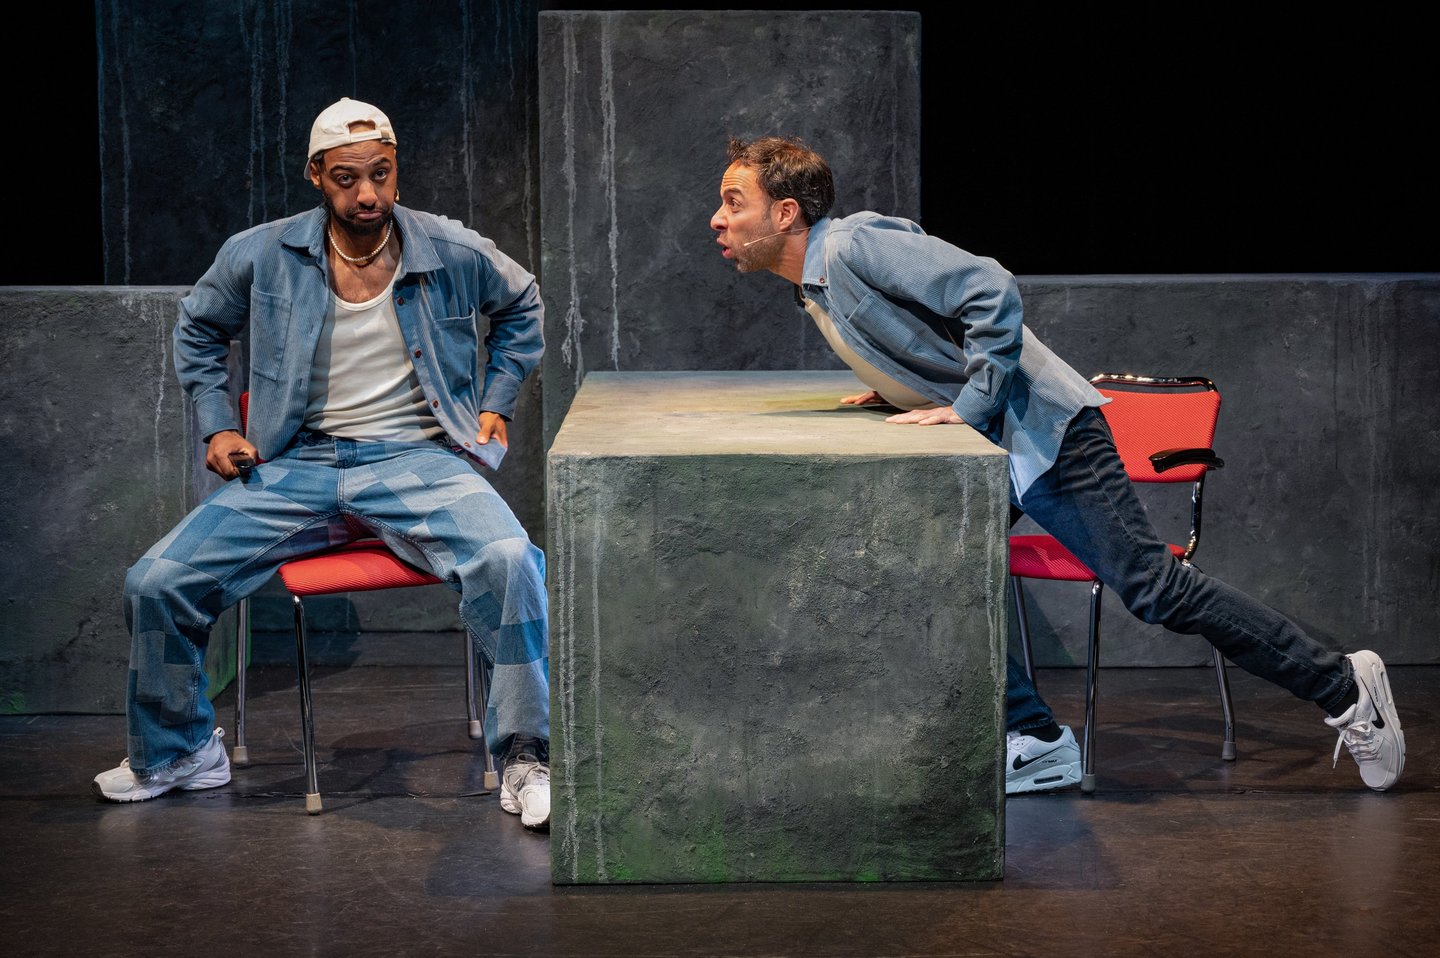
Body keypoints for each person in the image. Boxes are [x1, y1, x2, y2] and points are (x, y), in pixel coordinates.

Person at [709, 135, 1405, 795]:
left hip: (1046, 432)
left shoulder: (852, 246)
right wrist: (902, 385)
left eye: (734, 202)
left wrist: (972, 401)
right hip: (1001, 445)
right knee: (922, 567)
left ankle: (1343, 685)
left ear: (787, 213)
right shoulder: (817, 282)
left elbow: (988, 288)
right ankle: (1036, 739)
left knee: (1154, 588)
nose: (718, 218)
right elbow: (923, 329)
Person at [93, 97, 552, 829]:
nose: (367, 193)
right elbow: (199, 329)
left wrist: (498, 398)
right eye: (347, 178)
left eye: (381, 174)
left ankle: (527, 757)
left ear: (395, 168)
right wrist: (218, 425)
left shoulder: (448, 247)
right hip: (297, 464)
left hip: (417, 459)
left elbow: (522, 302)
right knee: (156, 582)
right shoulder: (262, 252)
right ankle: (180, 751)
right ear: (315, 175)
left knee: (509, 560)